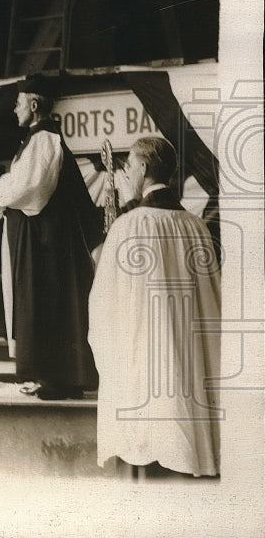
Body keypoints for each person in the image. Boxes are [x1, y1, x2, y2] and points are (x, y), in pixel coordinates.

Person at [89, 136, 221, 477]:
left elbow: (103, 307)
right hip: (190, 362)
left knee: (146, 443)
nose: (128, 174)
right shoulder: (196, 227)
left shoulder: (129, 226)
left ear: (144, 169)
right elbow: (214, 303)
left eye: (130, 167)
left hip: (144, 362)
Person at [0, 75, 102, 399]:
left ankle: (58, 378)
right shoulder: (35, 140)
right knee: (46, 304)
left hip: (48, 244)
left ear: (34, 105)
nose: (14, 108)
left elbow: (30, 190)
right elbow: (22, 182)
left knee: (50, 303)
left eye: (19, 103)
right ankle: (54, 378)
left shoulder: (45, 139)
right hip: (41, 240)